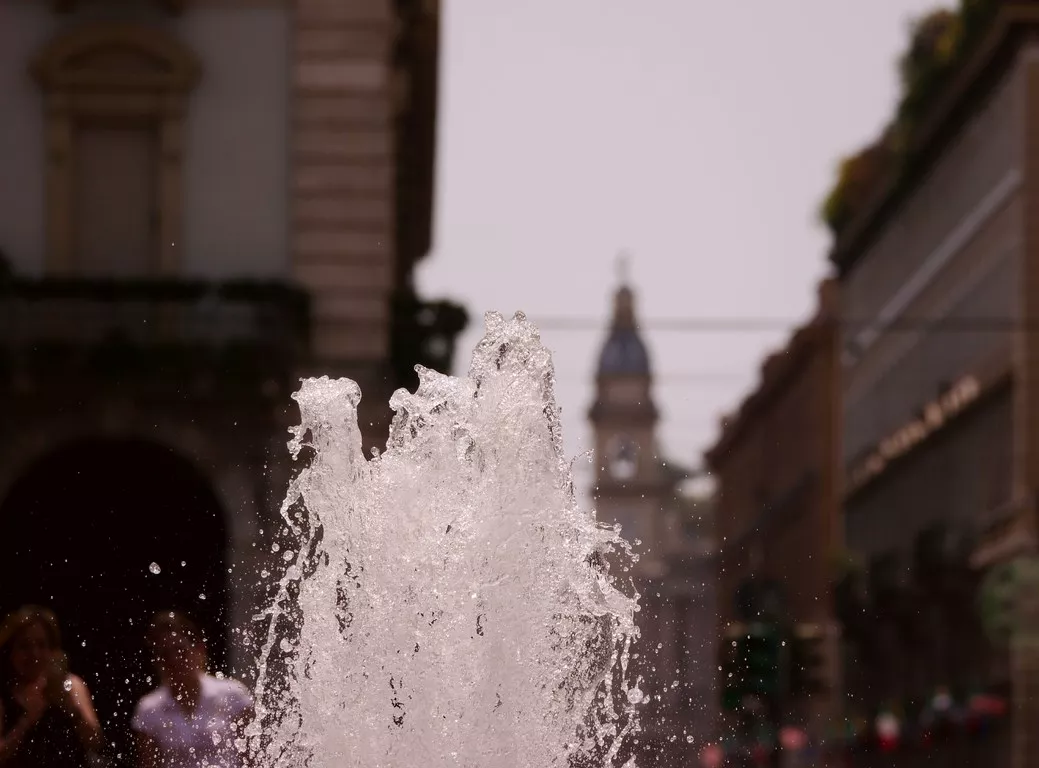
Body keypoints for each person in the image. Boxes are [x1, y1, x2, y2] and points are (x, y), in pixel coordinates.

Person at [132, 611, 254, 768]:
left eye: (180, 650)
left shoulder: (233, 694)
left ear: (199, 650)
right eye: (164, 654)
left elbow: (252, 759)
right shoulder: (148, 709)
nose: (173, 660)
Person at [0, 605, 105, 767]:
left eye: (41, 645)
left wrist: (69, 705)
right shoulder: (3, 693)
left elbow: (95, 742)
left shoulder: (71, 685)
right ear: (10, 651)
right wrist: (27, 720)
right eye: (25, 646)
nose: (34, 654)